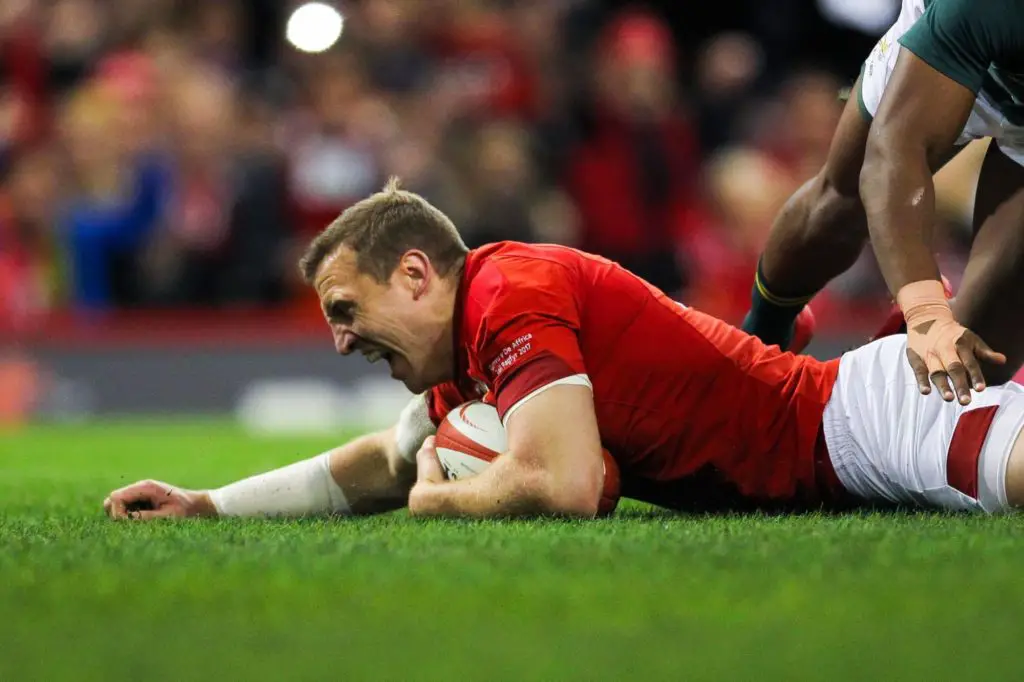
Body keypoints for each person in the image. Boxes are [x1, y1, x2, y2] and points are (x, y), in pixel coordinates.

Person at [104, 180, 1024, 521]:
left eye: (346, 310)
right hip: (844, 443)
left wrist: (438, 497)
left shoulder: (509, 293)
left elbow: (566, 483)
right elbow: (384, 460)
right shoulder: (469, 347)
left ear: (416, 275)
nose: (341, 340)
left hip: (864, 426)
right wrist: (208, 505)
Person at [741, 0, 1024, 406]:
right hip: (960, 43)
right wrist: (925, 310)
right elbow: (895, 152)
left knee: (983, 359)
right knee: (842, 205)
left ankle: (857, 417)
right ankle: (758, 340)